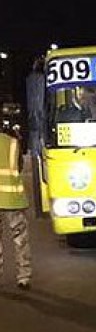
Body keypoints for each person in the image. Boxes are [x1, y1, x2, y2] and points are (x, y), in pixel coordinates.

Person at [0, 123, 32, 290]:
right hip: (12, 198)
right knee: (20, 239)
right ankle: (23, 276)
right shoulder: (12, 142)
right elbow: (19, 167)